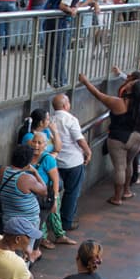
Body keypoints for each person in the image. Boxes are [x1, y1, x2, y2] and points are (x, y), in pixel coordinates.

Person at [78, 71, 140, 207]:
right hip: (137, 138)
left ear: (131, 90)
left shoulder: (118, 103)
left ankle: (117, 197)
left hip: (118, 138)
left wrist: (85, 82)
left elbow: (98, 95)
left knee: (120, 168)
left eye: (131, 84)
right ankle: (127, 191)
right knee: (129, 164)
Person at [0, 145, 46, 262]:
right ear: (27, 162)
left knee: (11, 251)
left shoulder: (2, 172)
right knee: (23, 254)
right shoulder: (26, 178)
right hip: (28, 223)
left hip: (8, 220)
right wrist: (35, 172)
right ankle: (21, 274)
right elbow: (44, 190)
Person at [49, 93, 90, 233]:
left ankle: (54, 221)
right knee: (72, 193)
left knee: (55, 193)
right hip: (73, 162)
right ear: (66, 105)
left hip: (56, 163)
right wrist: (88, 151)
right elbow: (79, 138)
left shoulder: (50, 120)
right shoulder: (71, 119)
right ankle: (67, 222)